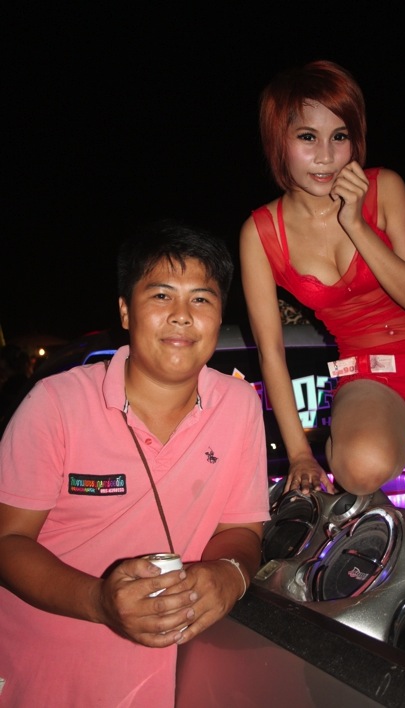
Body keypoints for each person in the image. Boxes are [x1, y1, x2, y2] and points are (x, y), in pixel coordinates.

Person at [0, 219, 270, 707]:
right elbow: (7, 542)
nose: (182, 316)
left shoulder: (239, 405)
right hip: (47, 673)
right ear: (126, 310)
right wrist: (99, 600)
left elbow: (241, 529)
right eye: (162, 295)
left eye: (201, 299)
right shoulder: (56, 403)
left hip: (170, 680)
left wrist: (228, 574)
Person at [240, 59, 405, 500]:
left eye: (339, 136)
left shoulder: (384, 187)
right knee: (361, 468)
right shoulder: (260, 233)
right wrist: (299, 455)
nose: (326, 156)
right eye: (308, 137)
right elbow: (270, 353)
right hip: (367, 370)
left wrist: (357, 225)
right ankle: (349, 454)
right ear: (278, 140)